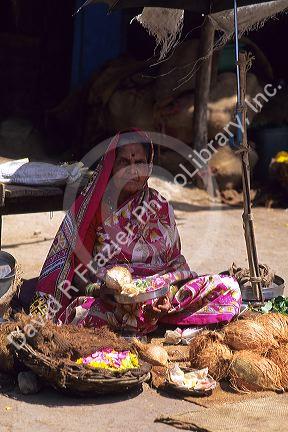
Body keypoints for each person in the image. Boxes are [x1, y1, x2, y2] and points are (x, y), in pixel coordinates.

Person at [30, 130, 241, 334]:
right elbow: (74, 273)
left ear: (149, 167)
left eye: (139, 162)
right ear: (112, 167)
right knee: (83, 313)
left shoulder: (158, 206)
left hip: (160, 296)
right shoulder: (90, 209)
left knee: (228, 287)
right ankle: (146, 322)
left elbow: (176, 265)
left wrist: (170, 293)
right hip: (113, 303)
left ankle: (156, 317)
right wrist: (98, 291)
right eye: (124, 162)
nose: (132, 170)